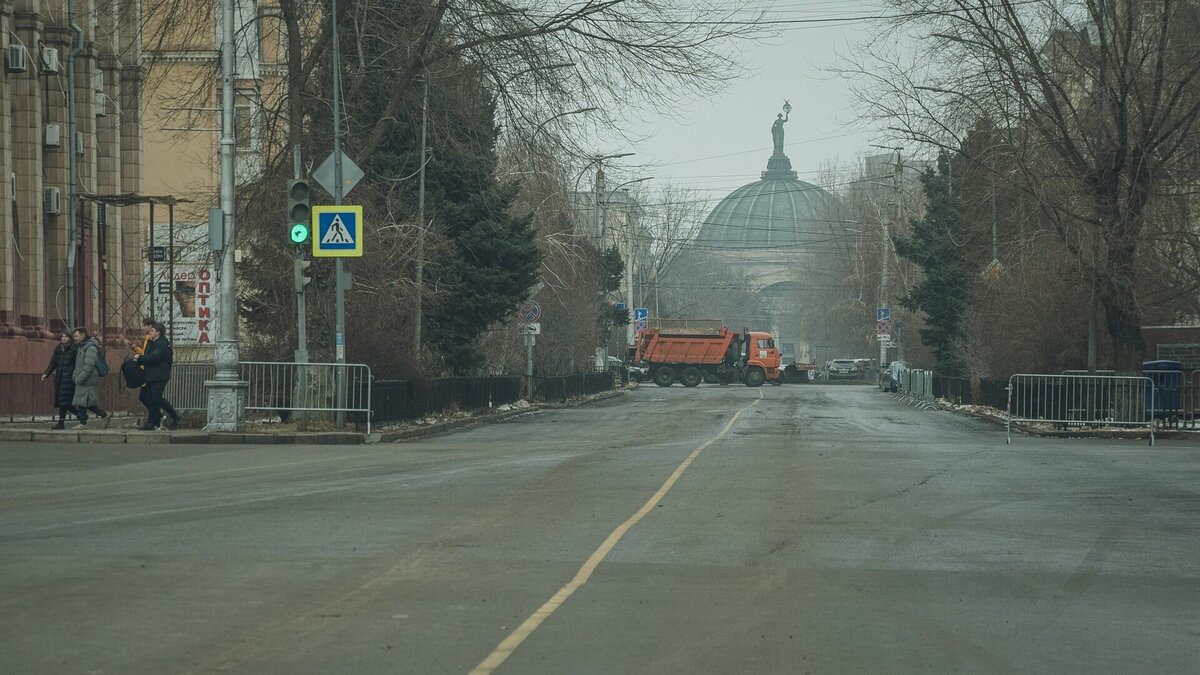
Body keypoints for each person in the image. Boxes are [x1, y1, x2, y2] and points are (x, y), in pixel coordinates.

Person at [133, 321, 178, 431]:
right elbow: (147, 355)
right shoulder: (151, 342)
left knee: (156, 397)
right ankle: (154, 419)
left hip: (159, 375)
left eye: (152, 331)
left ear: (158, 333)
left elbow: (154, 357)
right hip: (150, 375)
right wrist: (139, 359)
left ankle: (174, 417)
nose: (150, 332)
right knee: (144, 396)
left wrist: (140, 358)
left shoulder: (161, 344)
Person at [70, 327, 108, 428]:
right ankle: (104, 415)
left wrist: (80, 378)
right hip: (82, 377)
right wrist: (75, 375)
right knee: (85, 401)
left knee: (82, 400)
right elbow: (78, 364)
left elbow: (89, 365)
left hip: (88, 378)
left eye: (76, 336)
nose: (75, 338)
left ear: (83, 335)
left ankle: (83, 422)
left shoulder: (90, 347)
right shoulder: (81, 346)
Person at [42, 333, 79, 430]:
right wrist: (46, 373)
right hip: (60, 378)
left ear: (70, 338)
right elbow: (53, 362)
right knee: (64, 402)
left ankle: (62, 422)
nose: (64, 338)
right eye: (62, 336)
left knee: (65, 402)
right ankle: (78, 416)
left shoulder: (74, 348)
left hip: (70, 379)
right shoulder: (58, 348)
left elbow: (78, 364)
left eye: (66, 337)